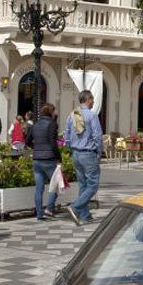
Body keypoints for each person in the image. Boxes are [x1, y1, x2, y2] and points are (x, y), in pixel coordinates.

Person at [64, 90, 103, 226]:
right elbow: (97, 136)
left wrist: (71, 149)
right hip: (88, 153)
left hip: (76, 153)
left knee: (83, 185)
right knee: (93, 185)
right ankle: (75, 207)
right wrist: (99, 152)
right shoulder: (92, 115)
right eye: (92, 99)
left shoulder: (72, 115)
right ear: (87, 99)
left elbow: (66, 136)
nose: (93, 102)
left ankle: (85, 215)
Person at [30, 103, 61, 220]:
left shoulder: (36, 124)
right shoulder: (51, 124)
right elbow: (53, 143)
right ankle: (49, 208)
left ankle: (39, 214)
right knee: (56, 185)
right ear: (50, 112)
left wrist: (36, 148)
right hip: (49, 159)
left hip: (37, 159)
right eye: (54, 111)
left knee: (39, 189)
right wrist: (59, 158)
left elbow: (28, 140)